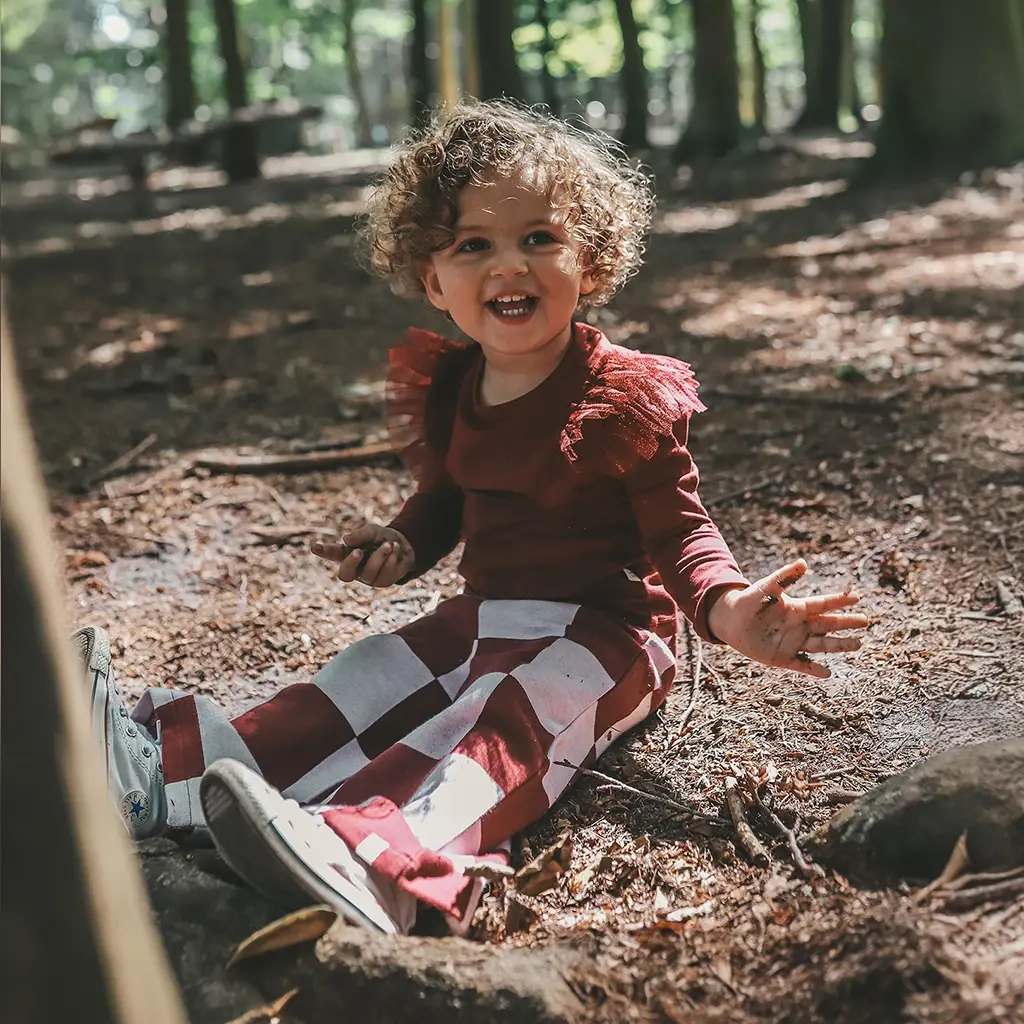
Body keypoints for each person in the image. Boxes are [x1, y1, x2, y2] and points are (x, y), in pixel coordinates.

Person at [80, 101, 867, 937]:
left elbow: (679, 527)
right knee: (362, 676)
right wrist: (404, 542)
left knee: (502, 722)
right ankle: (163, 775)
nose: (509, 265)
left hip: (606, 634)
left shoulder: (622, 391)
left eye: (539, 238)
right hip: (483, 614)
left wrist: (729, 607)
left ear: (591, 261)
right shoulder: (456, 385)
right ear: (433, 280)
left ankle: (379, 861)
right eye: (473, 245)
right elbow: (449, 496)